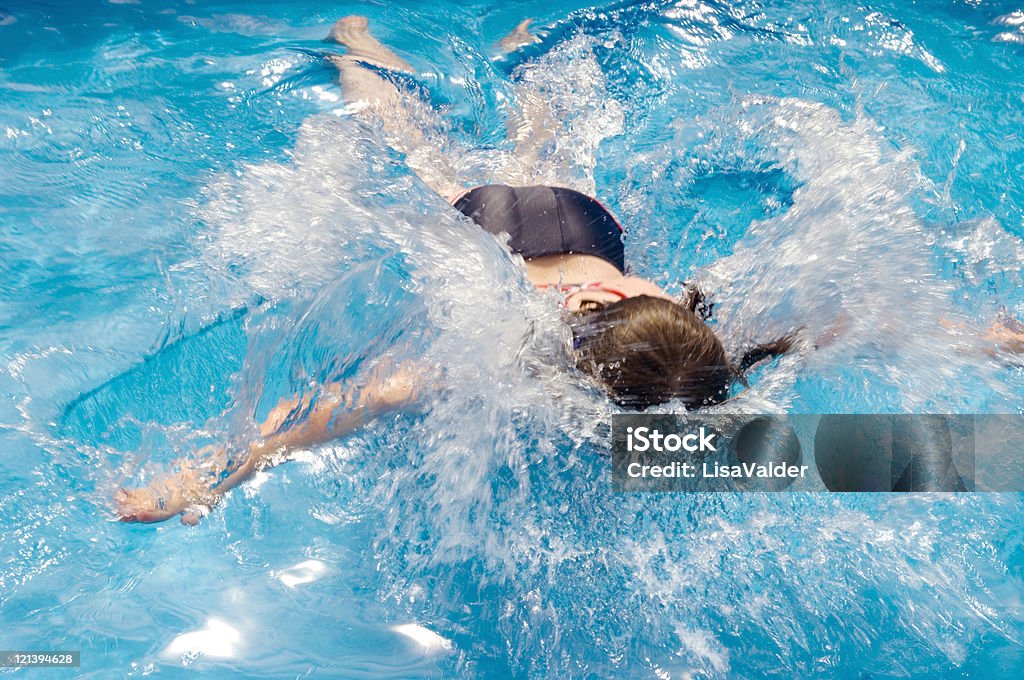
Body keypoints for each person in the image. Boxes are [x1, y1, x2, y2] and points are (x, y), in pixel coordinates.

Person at [116, 16, 1024, 524]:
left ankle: (391, 46)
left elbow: (861, 321)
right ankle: (360, 45)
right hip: (489, 228)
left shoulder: (693, 334)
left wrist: (1001, 342)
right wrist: (209, 476)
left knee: (529, 145)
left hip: (582, 216)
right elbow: (345, 405)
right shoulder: (511, 349)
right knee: (428, 154)